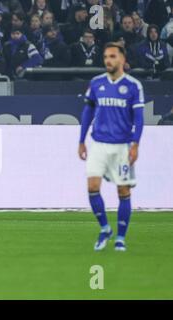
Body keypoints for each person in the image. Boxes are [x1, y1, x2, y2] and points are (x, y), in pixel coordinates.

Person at [78, 42, 145, 252]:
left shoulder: (133, 86)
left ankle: (121, 238)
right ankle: (105, 228)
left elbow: (139, 118)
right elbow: (87, 113)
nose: (108, 60)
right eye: (106, 56)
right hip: (98, 143)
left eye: (113, 56)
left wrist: (135, 144)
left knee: (123, 191)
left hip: (122, 146)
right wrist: (81, 140)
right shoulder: (96, 83)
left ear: (122, 60)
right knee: (92, 187)